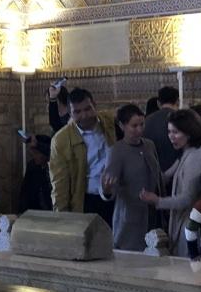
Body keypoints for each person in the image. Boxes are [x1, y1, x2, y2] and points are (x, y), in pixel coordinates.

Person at [139, 107, 201, 256]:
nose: (171, 137)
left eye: (176, 132)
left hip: (191, 225)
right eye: (169, 132)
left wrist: (157, 201)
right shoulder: (188, 152)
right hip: (185, 221)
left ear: (189, 133)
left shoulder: (196, 157)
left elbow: (187, 199)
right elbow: (168, 175)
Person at [100, 103, 161, 251]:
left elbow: (157, 175)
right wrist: (107, 190)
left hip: (153, 214)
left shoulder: (149, 145)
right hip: (129, 220)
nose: (139, 129)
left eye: (142, 124)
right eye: (134, 126)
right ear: (122, 126)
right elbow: (109, 187)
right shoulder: (116, 151)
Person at [49, 88, 116, 220]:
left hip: (116, 198)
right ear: (70, 113)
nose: (84, 115)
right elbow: (59, 184)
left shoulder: (108, 122)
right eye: (77, 112)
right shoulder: (61, 140)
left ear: (94, 105)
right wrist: (61, 218)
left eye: (88, 109)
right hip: (86, 202)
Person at [143, 84, 180, 172]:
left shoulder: (147, 121)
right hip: (178, 170)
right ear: (178, 101)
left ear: (158, 103)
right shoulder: (183, 119)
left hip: (153, 171)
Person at [19, 135, 52, 212]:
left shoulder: (55, 168)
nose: (34, 156)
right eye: (33, 153)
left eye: (37, 153)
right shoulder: (32, 166)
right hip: (34, 212)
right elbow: (25, 193)